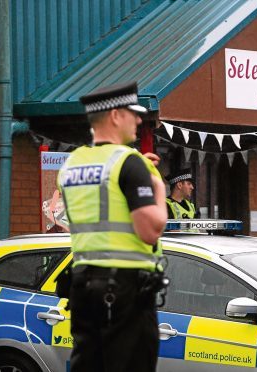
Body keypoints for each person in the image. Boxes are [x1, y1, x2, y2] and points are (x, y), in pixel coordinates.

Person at [57, 81, 168, 372]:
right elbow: (150, 230)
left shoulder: (72, 165)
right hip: (126, 289)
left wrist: (138, 173)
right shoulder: (129, 164)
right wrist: (156, 187)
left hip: (82, 286)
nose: (139, 120)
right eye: (134, 113)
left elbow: (102, 202)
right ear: (116, 115)